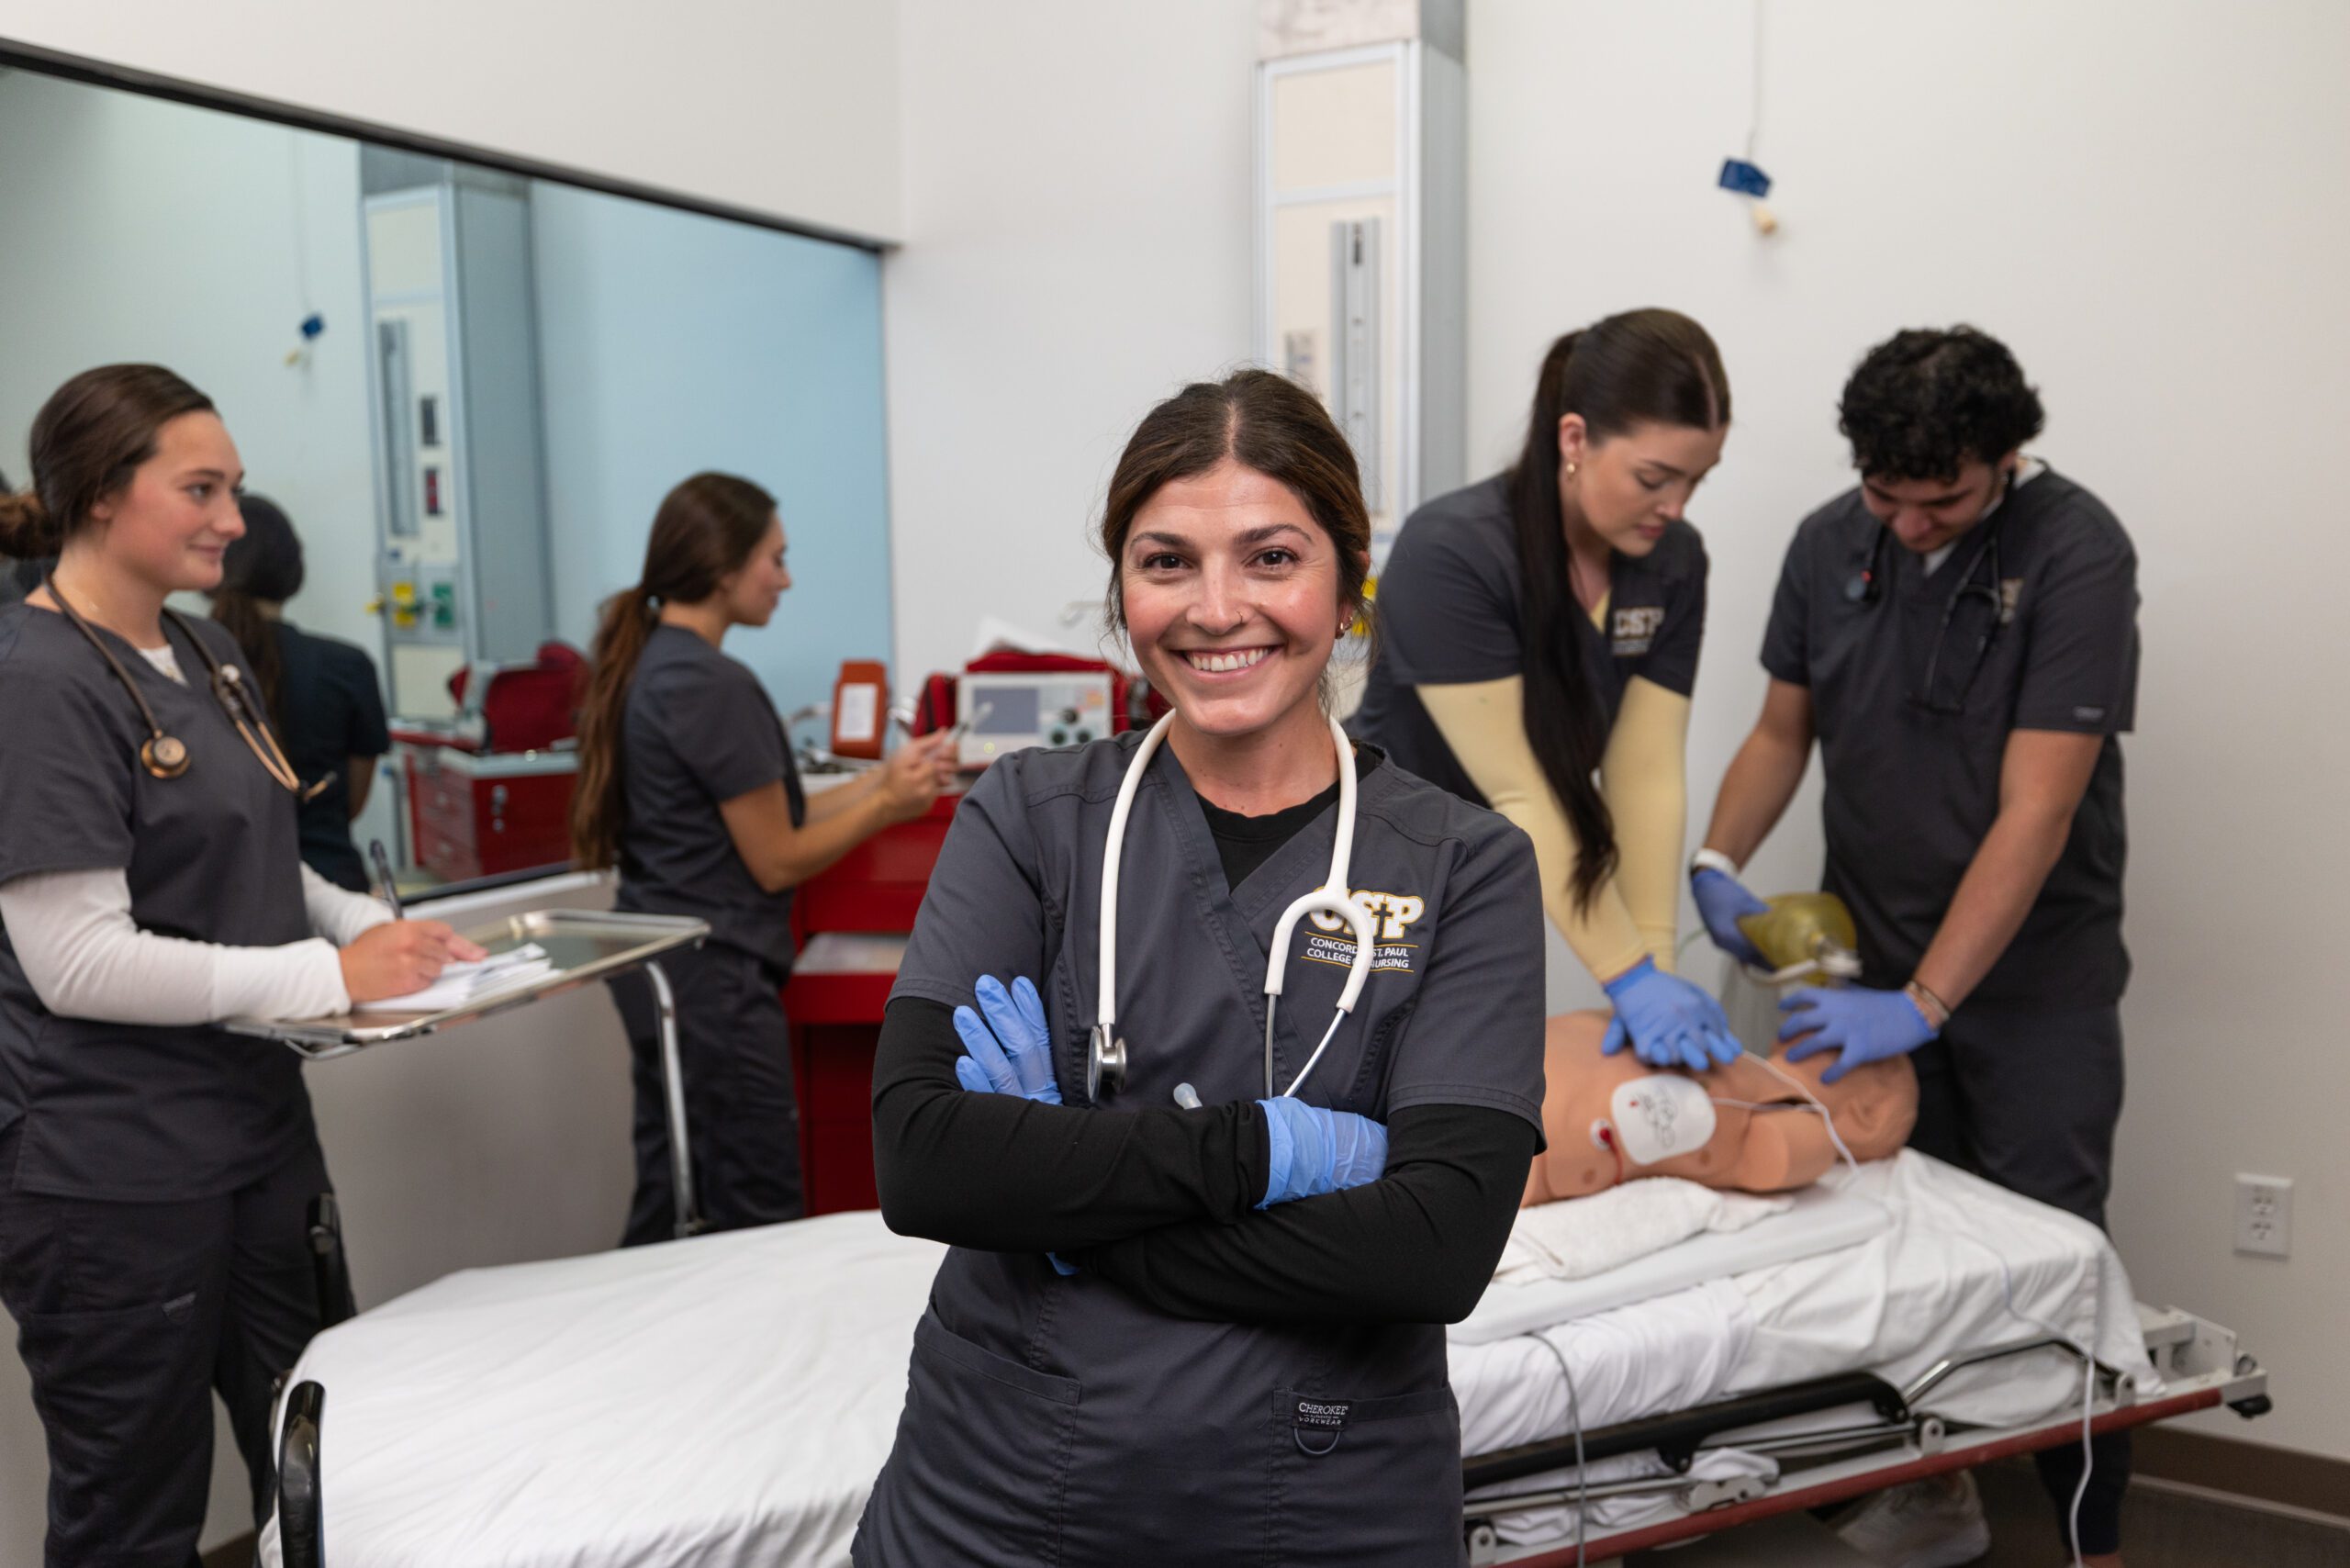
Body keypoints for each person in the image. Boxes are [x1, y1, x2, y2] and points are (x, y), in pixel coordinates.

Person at [854, 369, 1546, 1566]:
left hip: (1325, 1507)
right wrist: (1270, 1151)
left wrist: (1058, 1207)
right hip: (997, 1494)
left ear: (1348, 583)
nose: (1217, 608)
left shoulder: (1466, 866)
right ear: (1123, 592)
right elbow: (921, 1163)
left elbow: (1434, 1244)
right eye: (1167, 561)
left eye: (1271, 557)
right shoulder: (1028, 816)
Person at [0, 364, 483, 1565]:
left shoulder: (206, 648)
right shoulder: (36, 682)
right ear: (101, 497)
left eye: (237, 490)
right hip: (116, 1176)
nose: (234, 520)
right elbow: (75, 964)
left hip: (257, 1142)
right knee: (135, 1515)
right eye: (202, 489)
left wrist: (382, 931)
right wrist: (334, 979)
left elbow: (272, 857)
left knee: (320, 1463)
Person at [1690, 326, 2140, 1567]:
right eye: (1886, 496)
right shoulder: (1833, 541)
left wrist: (1930, 1003)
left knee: (2052, 1257)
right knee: (1892, 1250)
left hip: (2028, 978)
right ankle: (1936, 1498)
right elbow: (1784, 732)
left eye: (1939, 500)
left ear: (2006, 461)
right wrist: (1716, 862)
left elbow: (2039, 808)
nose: (1907, 524)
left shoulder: (2076, 552)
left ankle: (2094, 1544)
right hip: (1864, 966)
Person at [571, 472, 957, 1245]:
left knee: (678, 1185)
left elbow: (771, 817)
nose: (784, 578)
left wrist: (885, 780)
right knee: (753, 1210)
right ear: (723, 567)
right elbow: (777, 858)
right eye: (773, 559)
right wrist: (886, 805)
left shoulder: (661, 664)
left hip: (674, 973)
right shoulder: (710, 683)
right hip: (714, 983)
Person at [1353, 308, 1740, 1072]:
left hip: (1500, 872)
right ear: (1573, 440)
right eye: (1654, 479)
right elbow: (1520, 793)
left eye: (1697, 480)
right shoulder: (1454, 552)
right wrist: (1624, 973)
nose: (1677, 507)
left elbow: (1643, 770)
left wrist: (1655, 961)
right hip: (1381, 880)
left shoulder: (1673, 563)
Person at [207, 493, 393, 891]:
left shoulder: (186, 666)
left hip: (225, 898)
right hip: (336, 885)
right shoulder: (347, 666)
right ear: (292, 569)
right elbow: (352, 804)